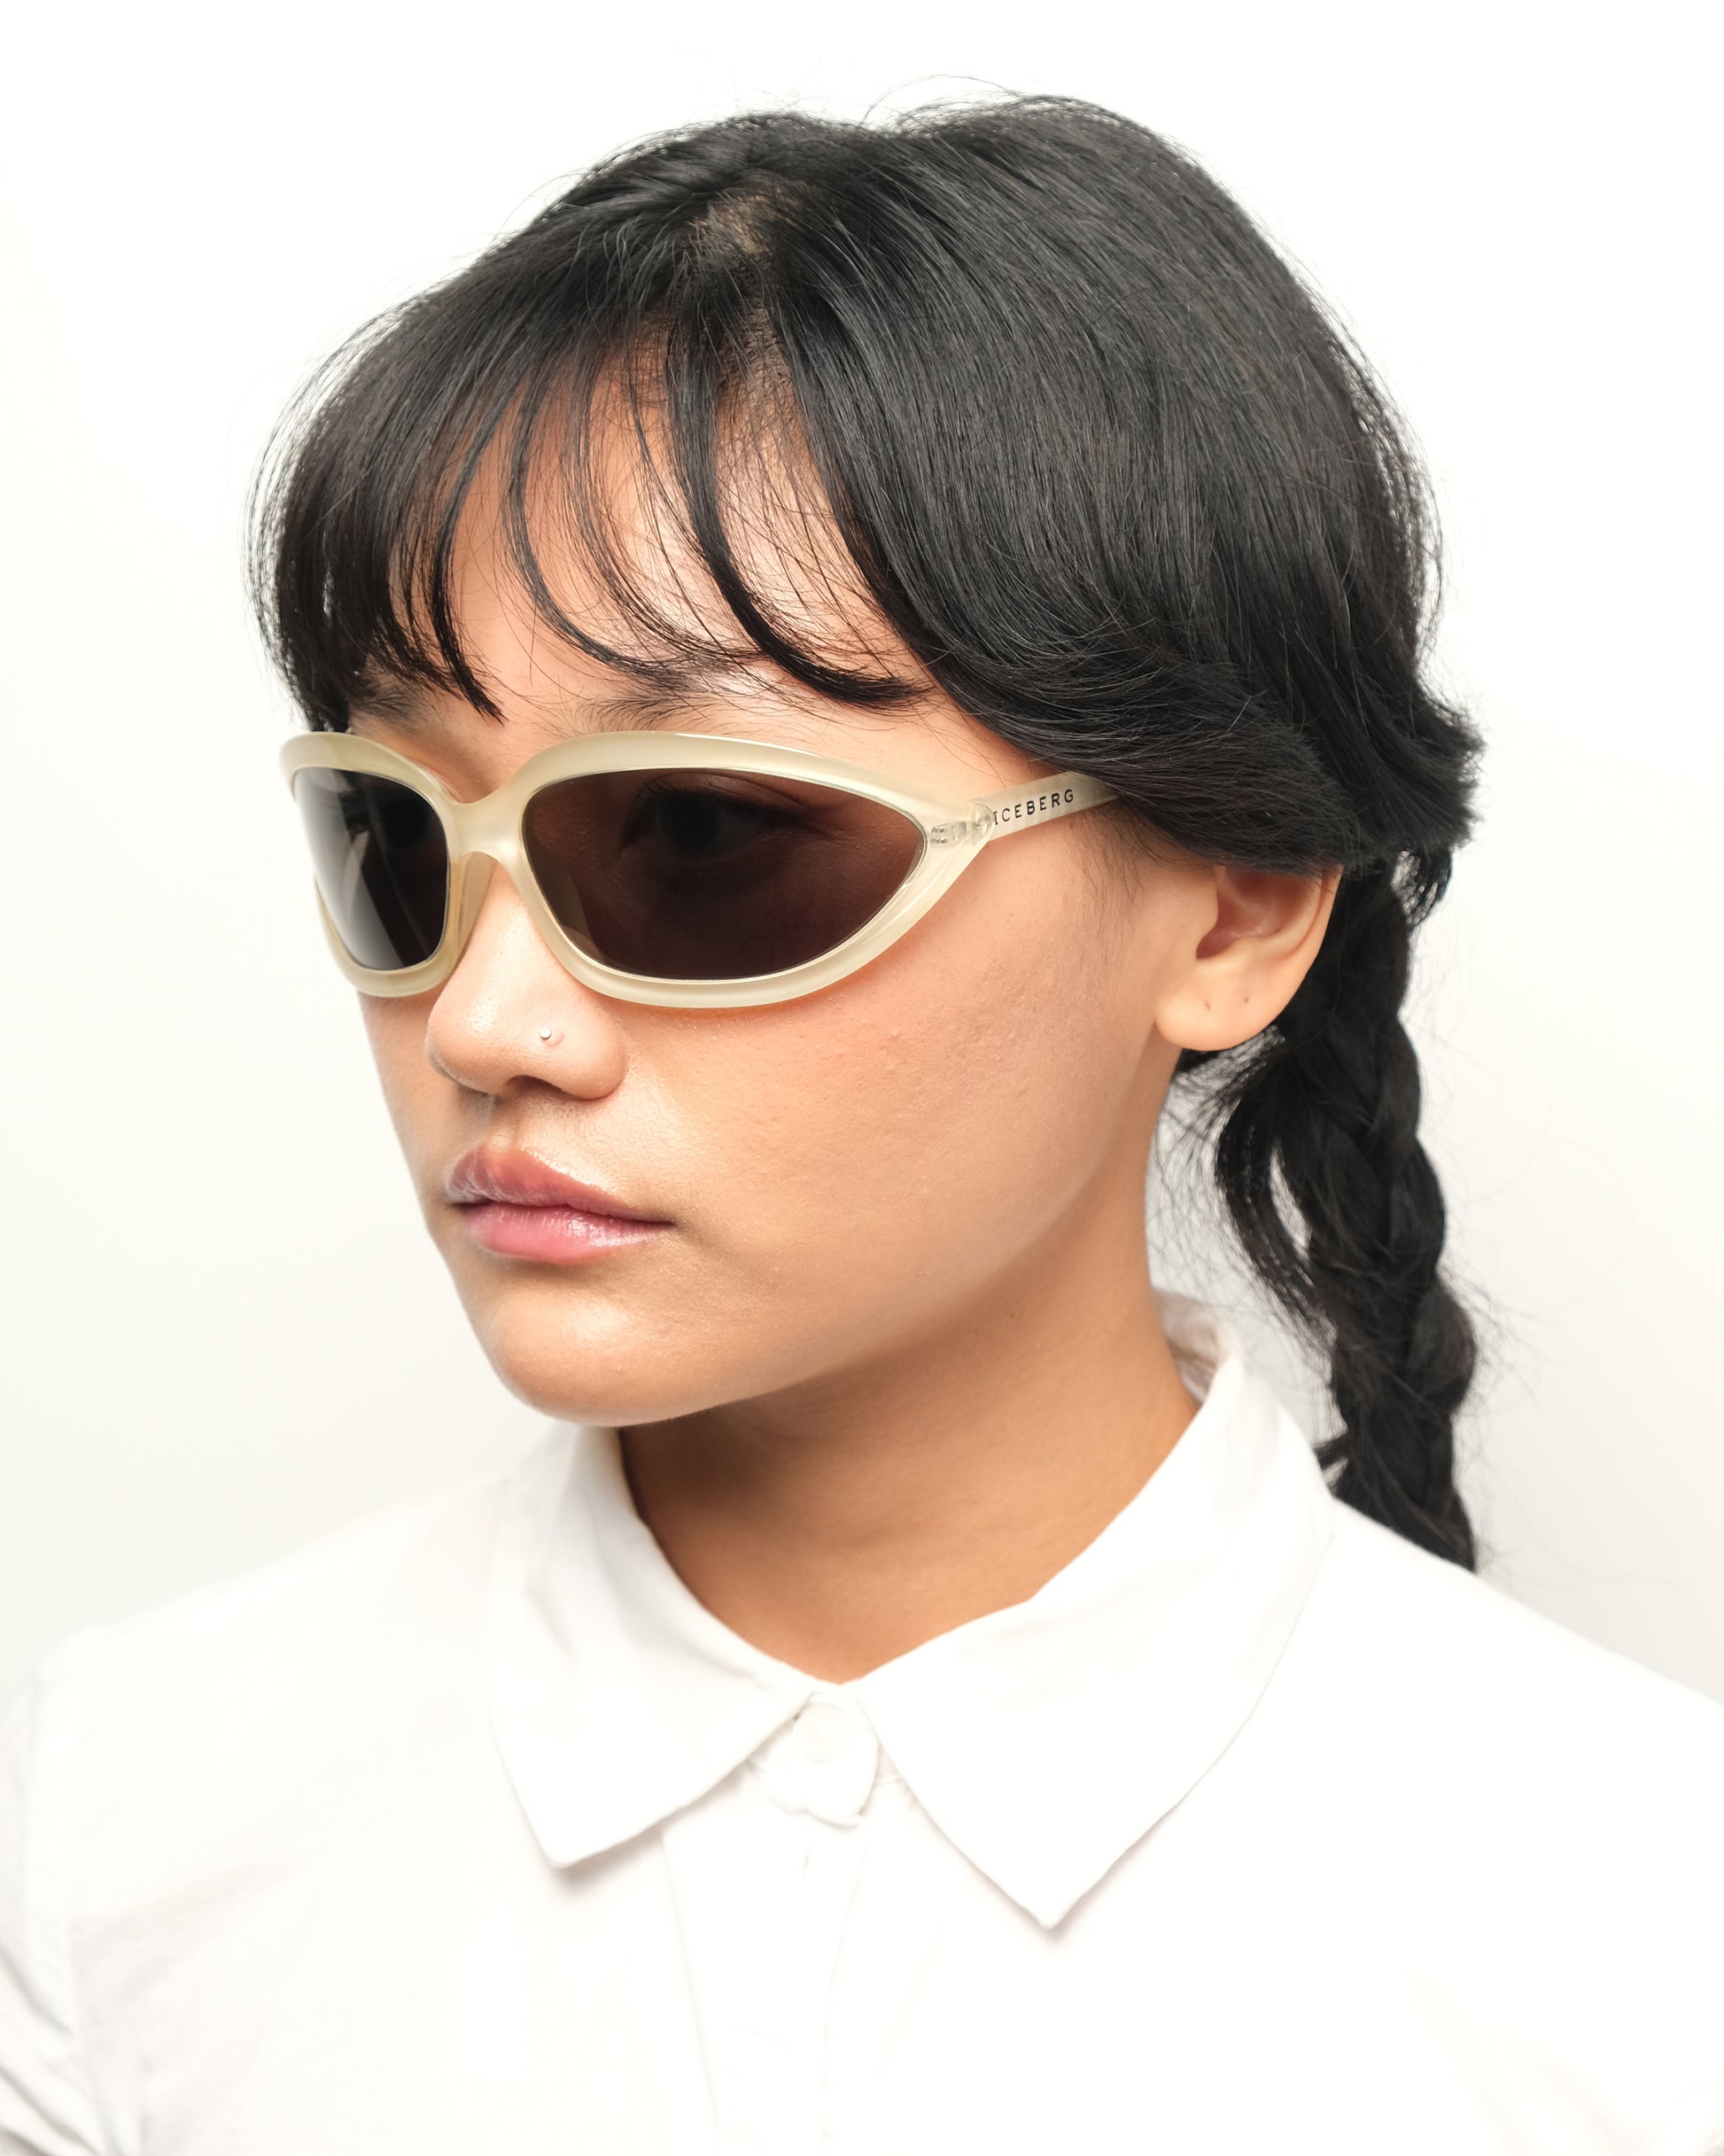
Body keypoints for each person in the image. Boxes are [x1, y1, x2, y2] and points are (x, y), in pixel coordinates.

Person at [2, 96, 1720, 2156]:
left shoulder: (1646, 1955)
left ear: (1234, 905)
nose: (481, 1017)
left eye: (698, 835)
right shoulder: (126, 1838)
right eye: (395, 836)